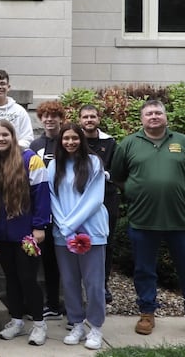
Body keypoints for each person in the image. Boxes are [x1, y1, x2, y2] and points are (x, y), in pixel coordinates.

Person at [110, 100, 185, 341]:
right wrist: (137, 191)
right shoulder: (128, 144)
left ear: (166, 117)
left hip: (180, 220)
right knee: (144, 270)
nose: (154, 116)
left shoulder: (184, 142)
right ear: (142, 119)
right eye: (149, 113)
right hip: (142, 219)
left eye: (158, 112)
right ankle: (147, 313)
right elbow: (118, 178)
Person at [0, 119, 51, 346]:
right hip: (2, 235)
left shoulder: (30, 160)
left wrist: (39, 226)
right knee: (11, 279)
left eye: (5, 134)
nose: (1, 139)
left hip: (27, 234)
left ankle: (39, 324)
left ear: (13, 137)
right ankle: (16, 320)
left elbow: (42, 194)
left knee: (28, 279)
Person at [48, 123, 109, 350]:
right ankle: (76, 323)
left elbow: (94, 199)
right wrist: (64, 227)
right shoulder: (55, 166)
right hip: (63, 235)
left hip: (91, 231)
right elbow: (51, 197)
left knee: (93, 283)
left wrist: (70, 224)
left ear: (81, 140)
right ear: (60, 141)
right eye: (66, 139)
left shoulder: (94, 163)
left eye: (75, 138)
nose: (70, 142)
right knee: (70, 281)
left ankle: (95, 327)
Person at [30, 100, 67, 319]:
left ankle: (55, 304)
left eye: (54, 116)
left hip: (64, 210)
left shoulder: (68, 141)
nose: (50, 119)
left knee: (56, 260)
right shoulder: (35, 145)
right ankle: (41, 303)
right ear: (41, 119)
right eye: (45, 116)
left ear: (61, 118)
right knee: (41, 260)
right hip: (41, 210)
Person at [79, 104, 119, 302]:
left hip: (106, 199)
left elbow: (118, 171)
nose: (89, 120)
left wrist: (101, 174)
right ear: (80, 120)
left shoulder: (110, 143)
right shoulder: (74, 141)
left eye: (92, 116)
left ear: (98, 119)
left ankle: (102, 286)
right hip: (80, 200)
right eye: (85, 117)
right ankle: (80, 286)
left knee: (106, 243)